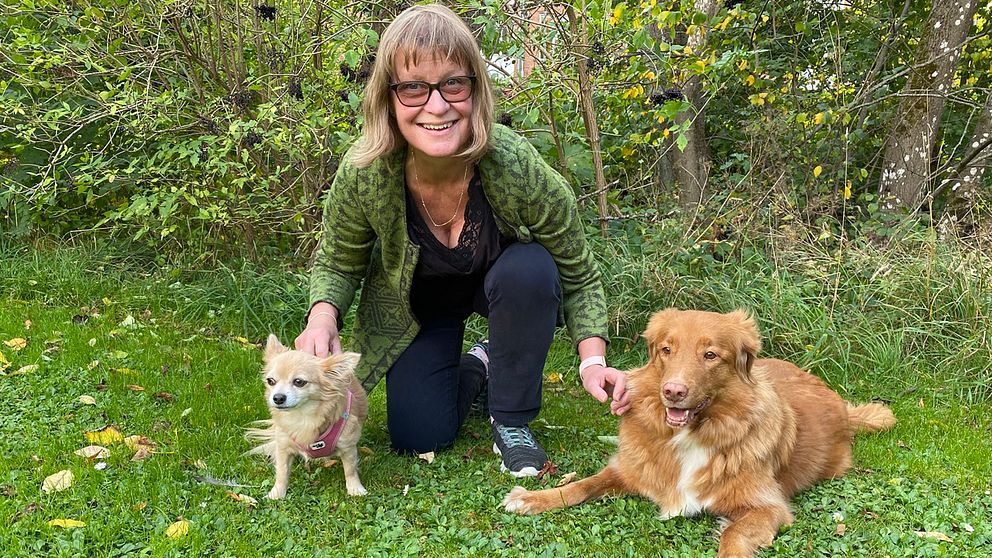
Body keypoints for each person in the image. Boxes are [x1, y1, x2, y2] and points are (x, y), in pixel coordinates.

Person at [294, 3, 629, 478]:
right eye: (413, 87)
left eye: (453, 83)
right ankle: (480, 366)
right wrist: (322, 318)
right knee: (417, 436)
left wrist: (591, 362)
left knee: (531, 267)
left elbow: (578, 271)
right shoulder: (366, 173)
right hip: (418, 305)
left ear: (475, 89)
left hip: (502, 287)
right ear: (387, 98)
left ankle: (511, 419)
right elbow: (337, 261)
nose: (437, 105)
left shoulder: (513, 164)